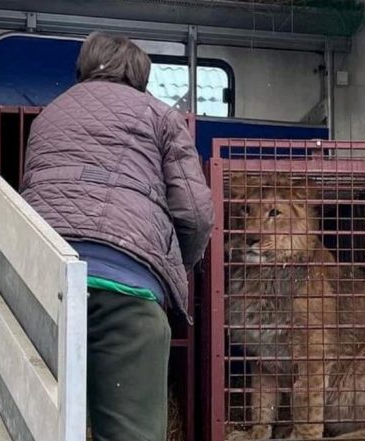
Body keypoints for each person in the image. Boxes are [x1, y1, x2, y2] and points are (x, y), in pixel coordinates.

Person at [20, 32, 214, 441]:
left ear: (84, 67)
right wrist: (180, 267)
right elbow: (196, 213)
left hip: (43, 286)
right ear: (141, 75)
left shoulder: (46, 117)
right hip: (127, 292)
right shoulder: (159, 115)